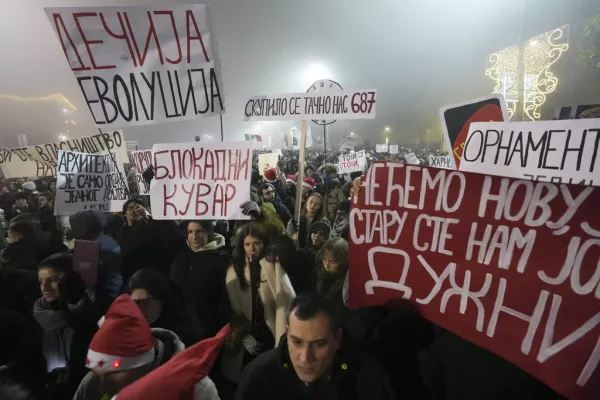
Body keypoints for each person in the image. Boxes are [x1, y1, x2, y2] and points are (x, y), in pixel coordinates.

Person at [235, 293, 396, 399]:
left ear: (337, 339)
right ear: (287, 331)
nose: (305, 357)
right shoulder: (259, 378)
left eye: (319, 344)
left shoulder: (369, 379)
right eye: (297, 342)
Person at [73, 294, 219, 400]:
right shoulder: (92, 383)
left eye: (113, 374)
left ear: (144, 362)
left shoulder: (196, 389)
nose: (102, 387)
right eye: (98, 375)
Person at [222, 223, 296, 383]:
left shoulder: (273, 266)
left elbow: (285, 302)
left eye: (257, 243)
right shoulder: (234, 271)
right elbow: (231, 309)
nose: (252, 249)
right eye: (247, 244)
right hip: (247, 336)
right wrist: (243, 334)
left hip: (270, 335)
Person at [33, 253, 101, 399]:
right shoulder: (35, 314)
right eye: (41, 281)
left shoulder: (93, 312)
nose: (45, 288)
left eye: (53, 280)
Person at [170, 220, 231, 338]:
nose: (194, 237)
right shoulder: (181, 254)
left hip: (206, 329)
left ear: (208, 233)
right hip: (181, 326)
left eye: (199, 231)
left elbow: (224, 298)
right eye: (190, 232)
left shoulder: (221, 259)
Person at [128, 268, 203, 347]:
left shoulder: (184, 335)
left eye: (147, 302)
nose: (140, 309)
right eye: (135, 303)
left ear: (161, 301)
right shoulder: (126, 328)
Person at [119, 198, 184, 284]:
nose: (134, 210)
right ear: (125, 214)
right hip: (131, 279)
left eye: (137, 207)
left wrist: (146, 216)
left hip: (152, 277)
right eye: (130, 208)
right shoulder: (123, 232)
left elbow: (166, 233)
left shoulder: (152, 230)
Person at [69, 210, 123, 310]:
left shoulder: (91, 246)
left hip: (103, 296)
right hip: (113, 290)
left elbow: (86, 277)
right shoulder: (105, 239)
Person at [290, 221, 330, 295]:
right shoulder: (301, 254)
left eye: (321, 234)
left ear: (325, 238)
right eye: (314, 233)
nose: (316, 236)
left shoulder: (326, 256)